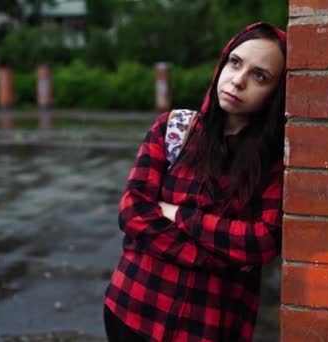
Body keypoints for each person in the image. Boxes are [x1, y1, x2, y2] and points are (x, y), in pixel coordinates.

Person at [104, 22, 287, 342]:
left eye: (260, 76)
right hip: (133, 310)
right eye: (235, 62)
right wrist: (220, 259)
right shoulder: (173, 130)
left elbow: (263, 241)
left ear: (276, 92)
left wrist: (177, 214)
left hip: (210, 327)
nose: (238, 80)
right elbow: (133, 212)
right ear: (222, 64)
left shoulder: (273, 163)